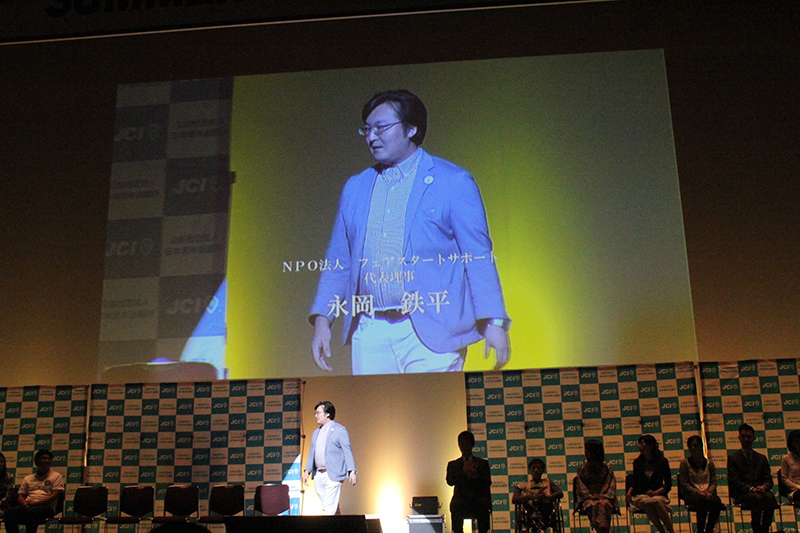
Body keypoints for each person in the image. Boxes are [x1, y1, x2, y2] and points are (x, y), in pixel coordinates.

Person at [309, 89, 511, 374]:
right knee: (372, 405)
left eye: (381, 128)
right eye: (367, 129)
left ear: (411, 128)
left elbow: (477, 255)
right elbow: (339, 261)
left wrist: (493, 321)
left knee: (435, 405)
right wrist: (323, 321)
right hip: (370, 330)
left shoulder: (453, 182)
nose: (371, 137)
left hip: (434, 332)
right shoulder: (356, 187)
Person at [302, 401, 357, 515]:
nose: (316, 416)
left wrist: (352, 471)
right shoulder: (316, 433)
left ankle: (327, 524)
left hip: (333, 474)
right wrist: (307, 471)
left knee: (328, 508)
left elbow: (347, 451)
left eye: (318, 413)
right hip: (319, 474)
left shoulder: (339, 430)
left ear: (327, 414)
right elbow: (312, 453)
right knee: (331, 506)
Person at [727, 423, 777, 533]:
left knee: (770, 497)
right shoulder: (733, 458)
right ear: (739, 438)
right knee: (757, 498)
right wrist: (751, 489)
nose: (746, 439)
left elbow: (768, 480)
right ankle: (756, 527)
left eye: (749, 437)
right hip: (743, 493)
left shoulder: (761, 458)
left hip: (760, 492)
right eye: (743, 436)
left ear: (754, 438)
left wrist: (763, 487)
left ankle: (764, 528)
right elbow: (734, 481)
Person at [3, 449, 64, 533]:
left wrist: (37, 503)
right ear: (36, 461)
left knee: (31, 513)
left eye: (49, 459)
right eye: (43, 458)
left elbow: (55, 495)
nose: (46, 461)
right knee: (9, 513)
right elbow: (21, 495)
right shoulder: (28, 478)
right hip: (28, 506)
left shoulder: (56, 476)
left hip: (46, 507)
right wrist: (24, 503)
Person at [627, 435, 674, 533]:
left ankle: (670, 531)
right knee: (647, 502)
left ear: (650, 446)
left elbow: (668, 484)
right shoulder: (637, 462)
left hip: (658, 494)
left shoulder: (662, 461)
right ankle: (664, 531)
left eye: (642, 443)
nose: (639, 446)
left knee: (654, 502)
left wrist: (656, 492)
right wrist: (630, 492)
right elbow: (636, 481)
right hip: (642, 495)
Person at [447, 431, 492, 533]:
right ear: (459, 445)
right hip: (461, 499)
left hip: (477, 498)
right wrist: (464, 472)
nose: (464, 447)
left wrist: (475, 475)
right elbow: (450, 481)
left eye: (467, 444)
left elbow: (488, 482)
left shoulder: (482, 463)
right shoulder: (453, 465)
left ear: (472, 445)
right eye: (462, 444)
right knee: (455, 505)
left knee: (483, 504)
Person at [678, 435, 723, 533]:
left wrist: (708, 491)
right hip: (692, 494)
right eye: (691, 446)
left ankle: (710, 529)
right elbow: (684, 483)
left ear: (701, 446)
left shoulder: (709, 463)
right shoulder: (685, 463)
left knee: (716, 501)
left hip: (708, 493)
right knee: (701, 501)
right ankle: (700, 529)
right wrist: (698, 492)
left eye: (696, 445)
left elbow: (713, 482)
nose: (693, 448)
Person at [574, 439, 618, 533]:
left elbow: (610, 484)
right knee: (593, 504)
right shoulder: (582, 469)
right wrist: (590, 496)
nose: (585, 452)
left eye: (587, 450)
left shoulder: (607, 468)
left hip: (605, 497)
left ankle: (601, 530)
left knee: (603, 504)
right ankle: (603, 530)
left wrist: (602, 495)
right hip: (588, 498)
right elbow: (580, 486)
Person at [512, 458, 563, 533]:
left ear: (542, 470)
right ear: (530, 470)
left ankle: (539, 524)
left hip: (546, 509)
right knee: (530, 505)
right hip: (530, 510)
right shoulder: (523, 485)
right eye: (533, 468)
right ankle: (537, 524)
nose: (536, 470)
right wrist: (531, 496)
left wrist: (548, 497)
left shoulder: (548, 482)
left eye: (538, 468)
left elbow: (560, 493)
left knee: (545, 505)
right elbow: (514, 499)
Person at [780, 429, 800, 505]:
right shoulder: (786, 458)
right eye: (797, 441)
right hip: (794, 490)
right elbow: (784, 478)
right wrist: (797, 487)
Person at [0, 452, 15, 518]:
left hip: (3, 505)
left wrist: (1, 502)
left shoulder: (8, 477)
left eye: (2, 462)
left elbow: (8, 495)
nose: (0, 464)